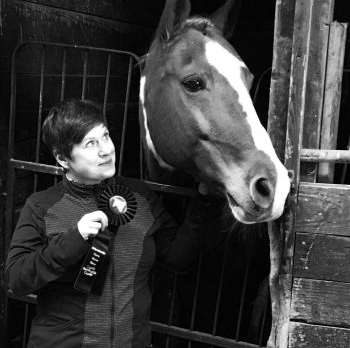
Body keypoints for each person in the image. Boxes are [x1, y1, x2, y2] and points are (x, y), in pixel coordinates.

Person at [5, 98, 231, 348]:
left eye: (105, 136)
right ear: (62, 158)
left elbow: (176, 256)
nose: (106, 150)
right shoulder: (41, 206)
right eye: (90, 144)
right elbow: (16, 279)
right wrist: (74, 239)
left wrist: (204, 201)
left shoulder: (140, 196)